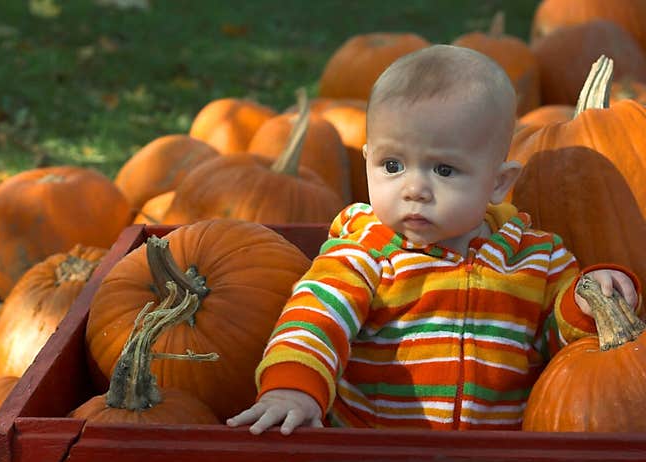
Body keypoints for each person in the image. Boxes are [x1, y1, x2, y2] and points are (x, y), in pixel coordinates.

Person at [227, 44, 640, 435]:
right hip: (378, 459)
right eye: (393, 165)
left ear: (498, 183)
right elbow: (316, 317)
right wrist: (294, 387)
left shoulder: (536, 258)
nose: (414, 189)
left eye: (443, 170)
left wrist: (588, 301)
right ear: (367, 161)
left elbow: (560, 347)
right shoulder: (366, 251)